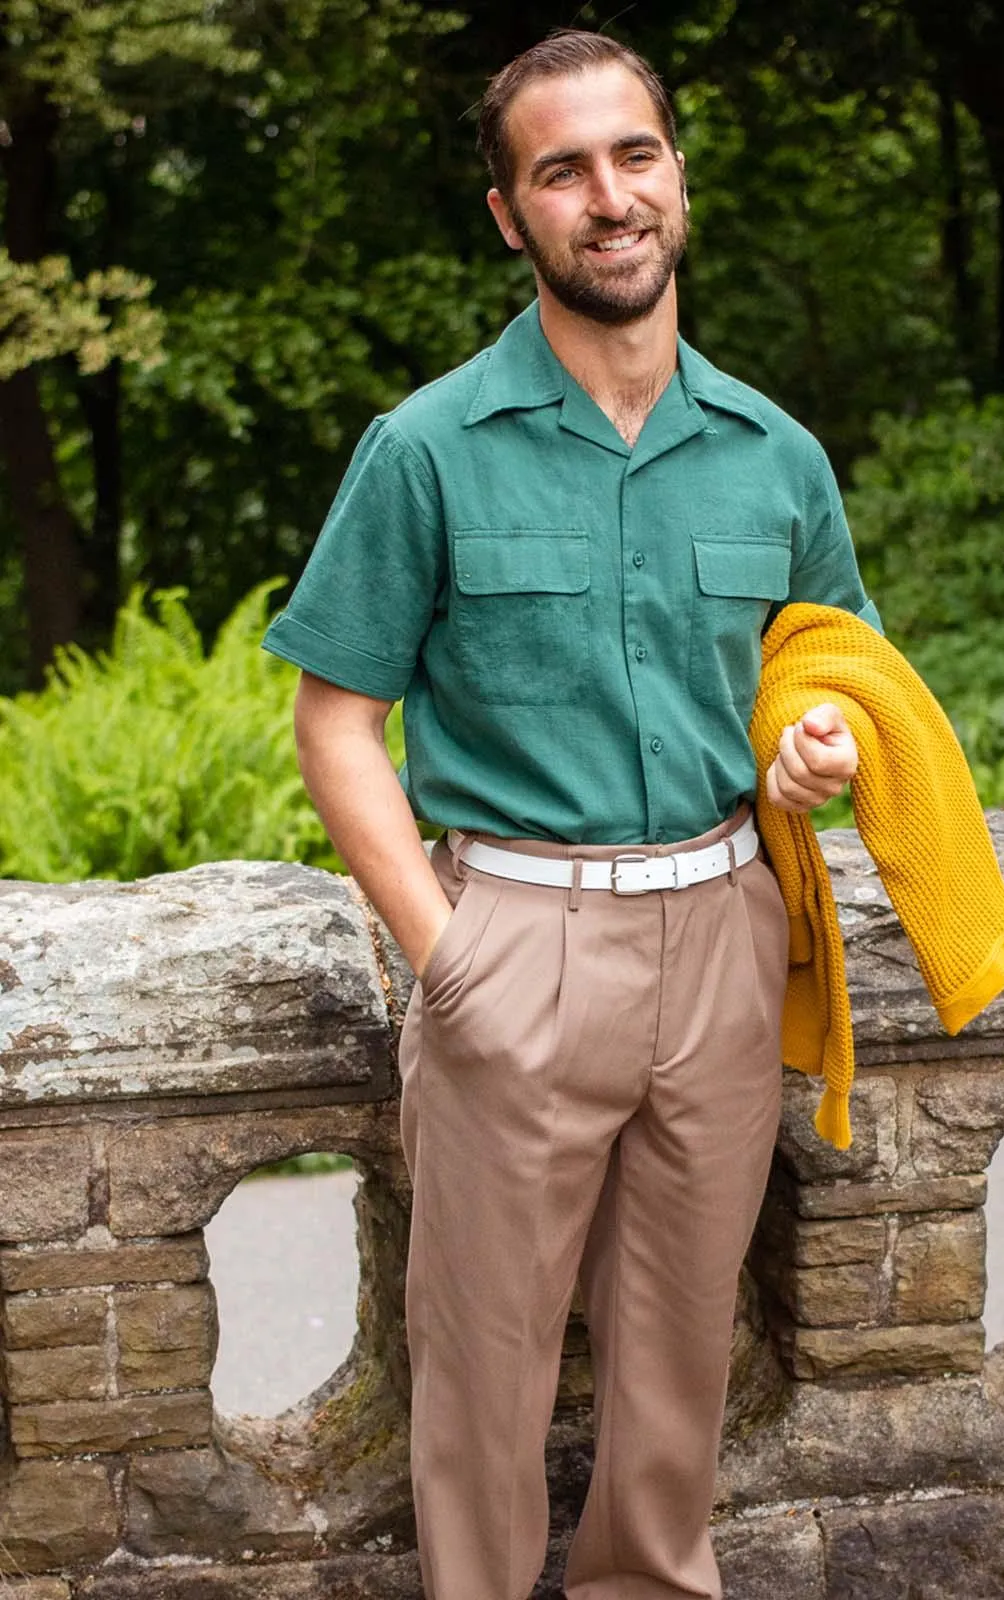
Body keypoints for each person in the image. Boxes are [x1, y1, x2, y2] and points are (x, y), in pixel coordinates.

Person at [262, 30, 877, 1600]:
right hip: (516, 941)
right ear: (509, 213)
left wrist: (814, 744)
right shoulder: (426, 451)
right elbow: (337, 716)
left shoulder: (775, 456)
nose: (609, 197)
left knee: (677, 1371)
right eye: (564, 170)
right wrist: (445, 953)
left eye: (635, 156)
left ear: (675, 176)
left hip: (731, 941)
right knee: (483, 1373)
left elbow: (833, 680)